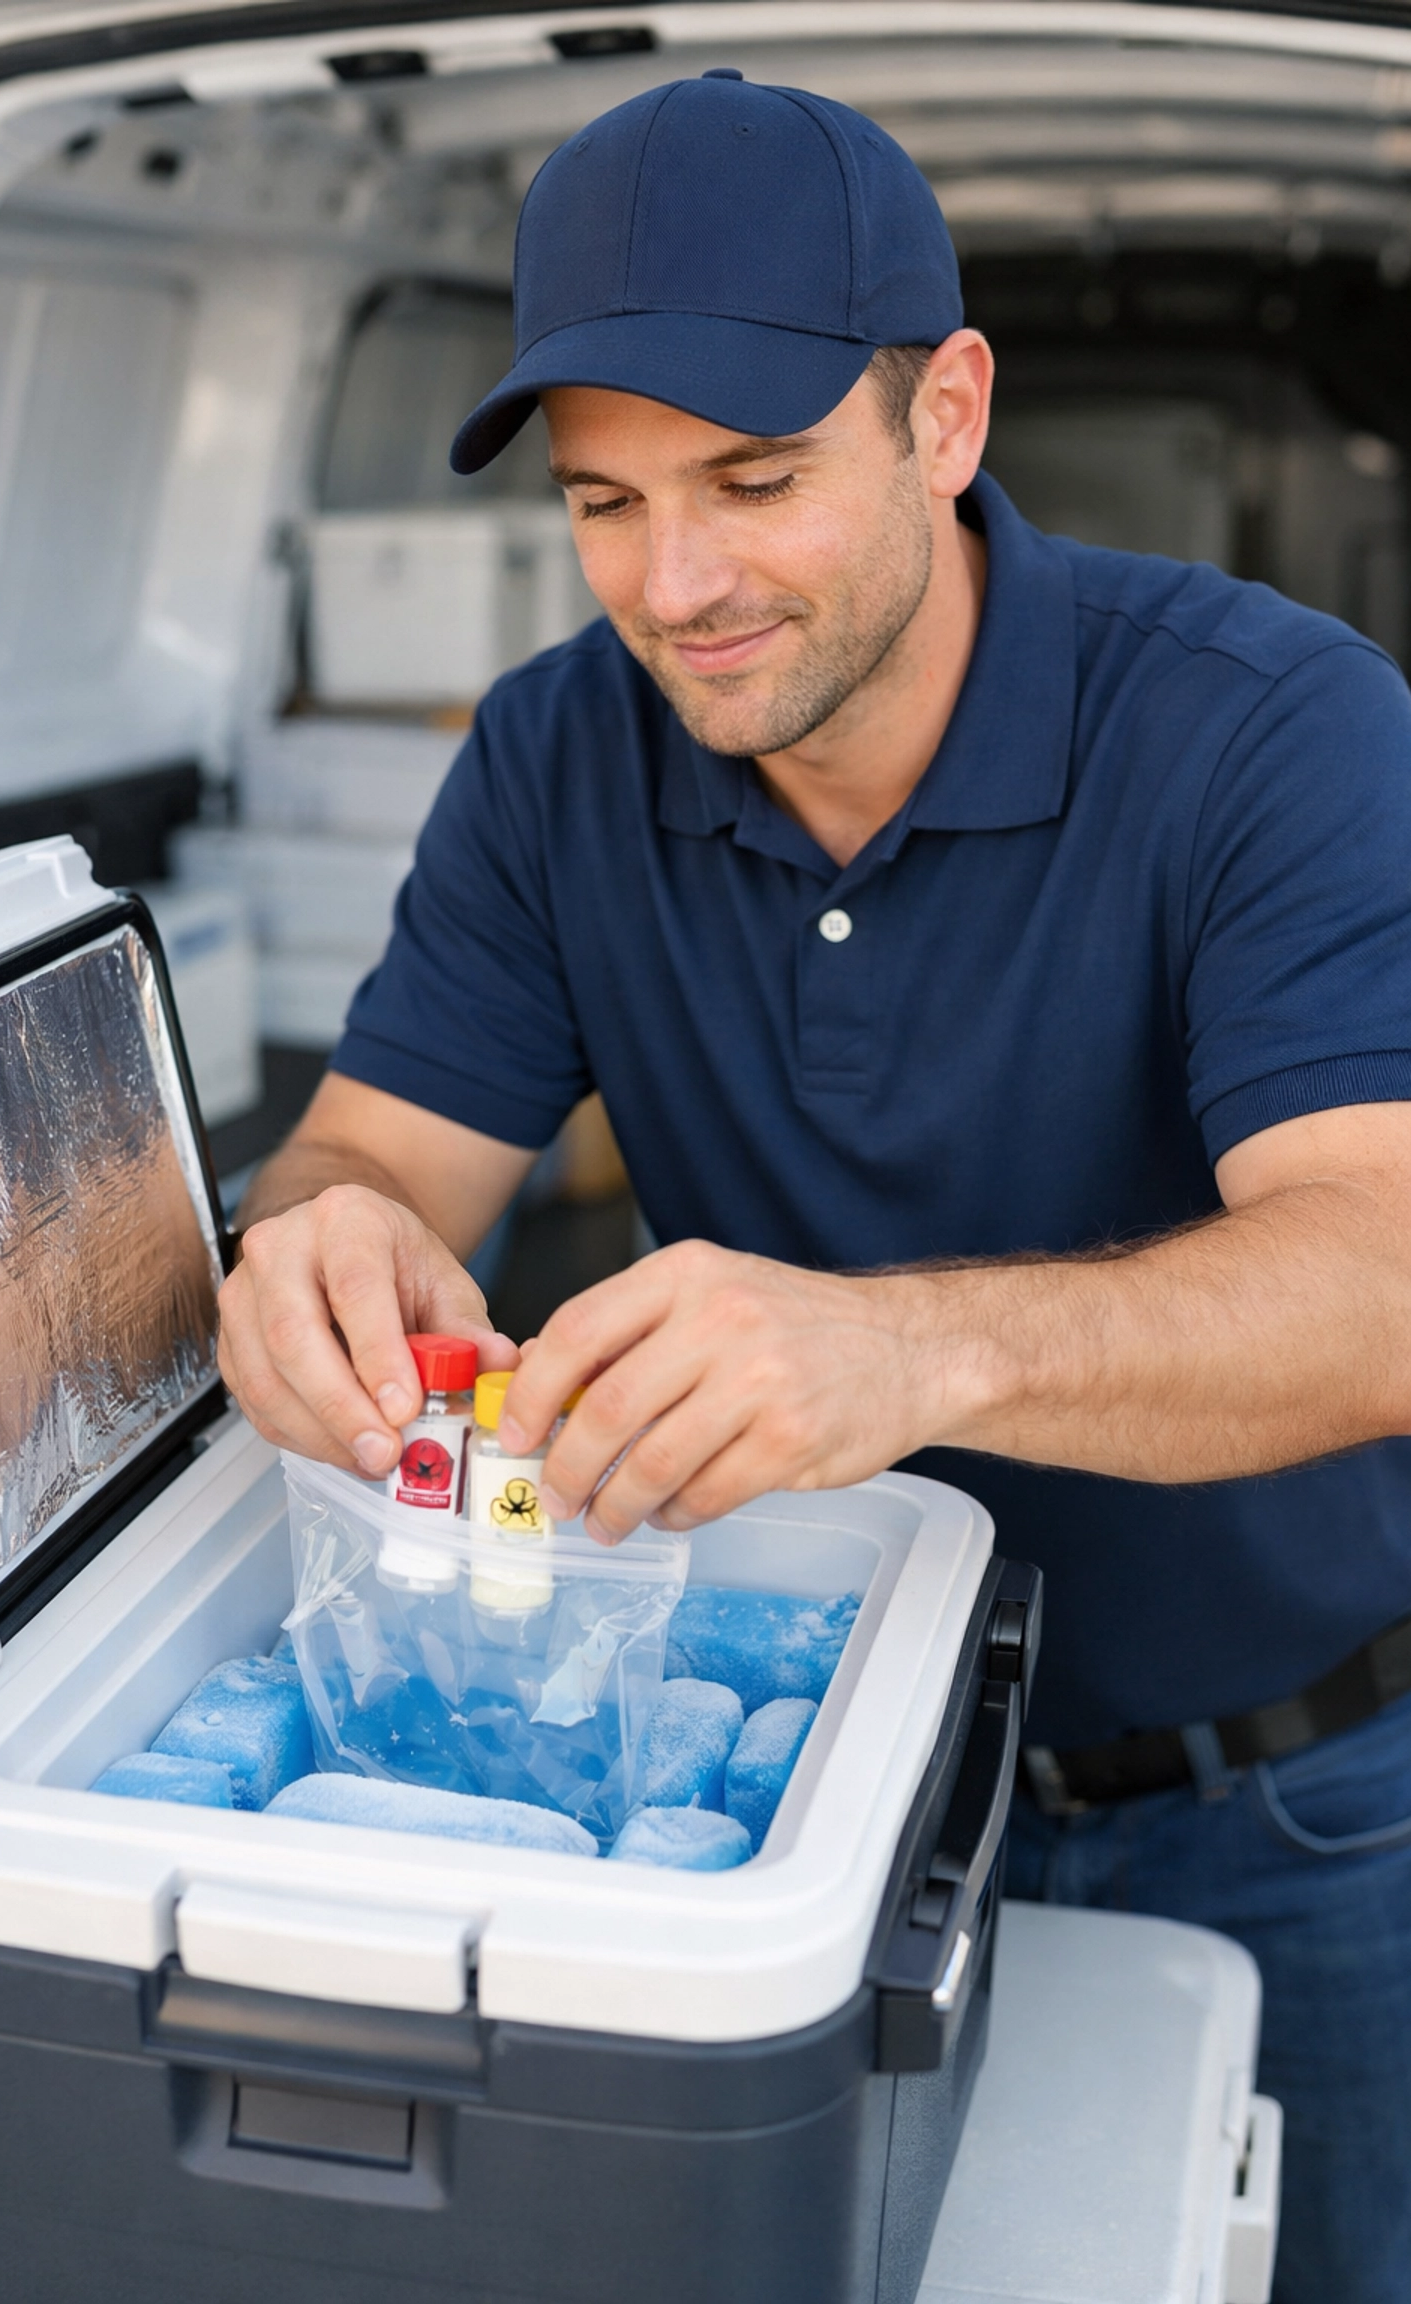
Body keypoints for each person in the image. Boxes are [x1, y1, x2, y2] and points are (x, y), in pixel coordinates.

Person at [217, 69, 1411, 2303]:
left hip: (1282, 1819)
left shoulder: (1279, 730)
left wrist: (904, 1344)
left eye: (754, 483)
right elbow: (374, 1144)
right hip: (775, 1821)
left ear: (947, 418)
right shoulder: (555, 754)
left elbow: (1386, 1283)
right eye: (605, 502)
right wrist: (325, 1234)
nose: (678, 588)